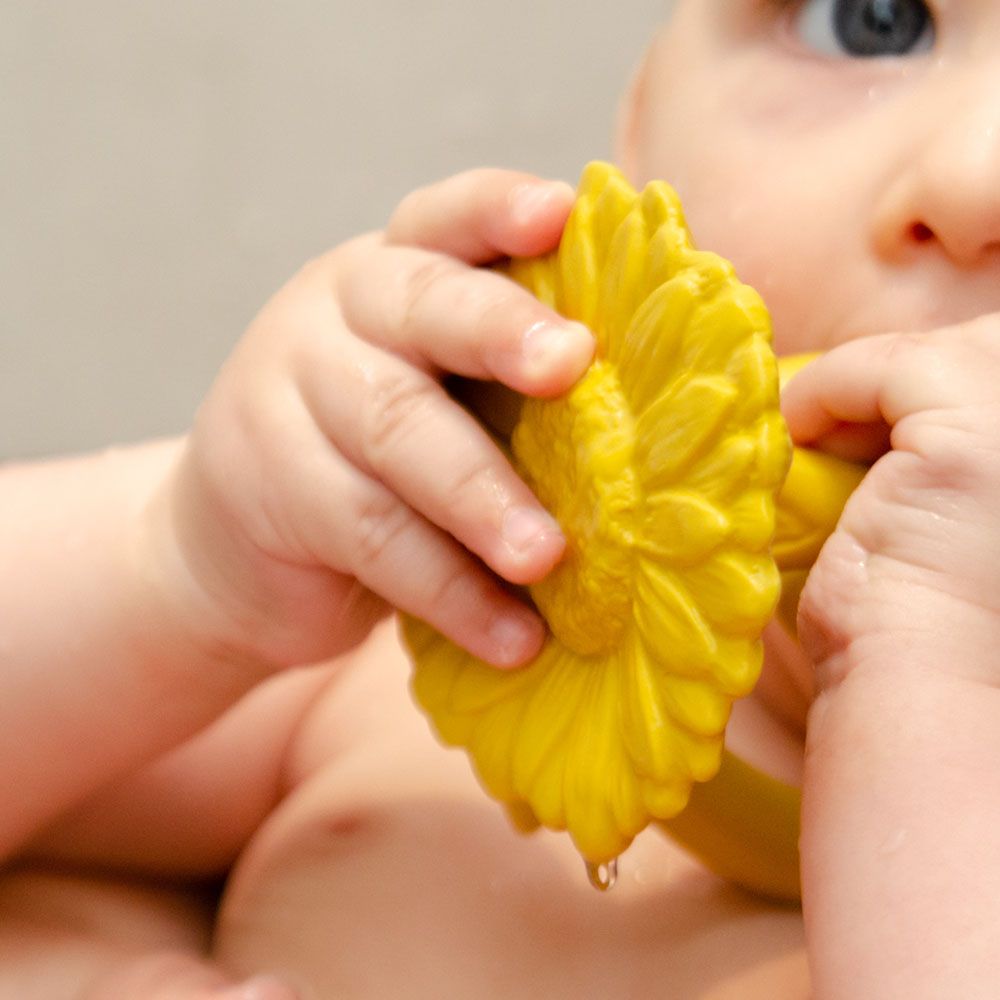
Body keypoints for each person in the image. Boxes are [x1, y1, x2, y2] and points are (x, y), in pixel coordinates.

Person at [3, 0, 1000, 996]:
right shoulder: (434, 621)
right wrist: (177, 572)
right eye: (872, 21)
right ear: (640, 129)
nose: (971, 176)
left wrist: (938, 675)